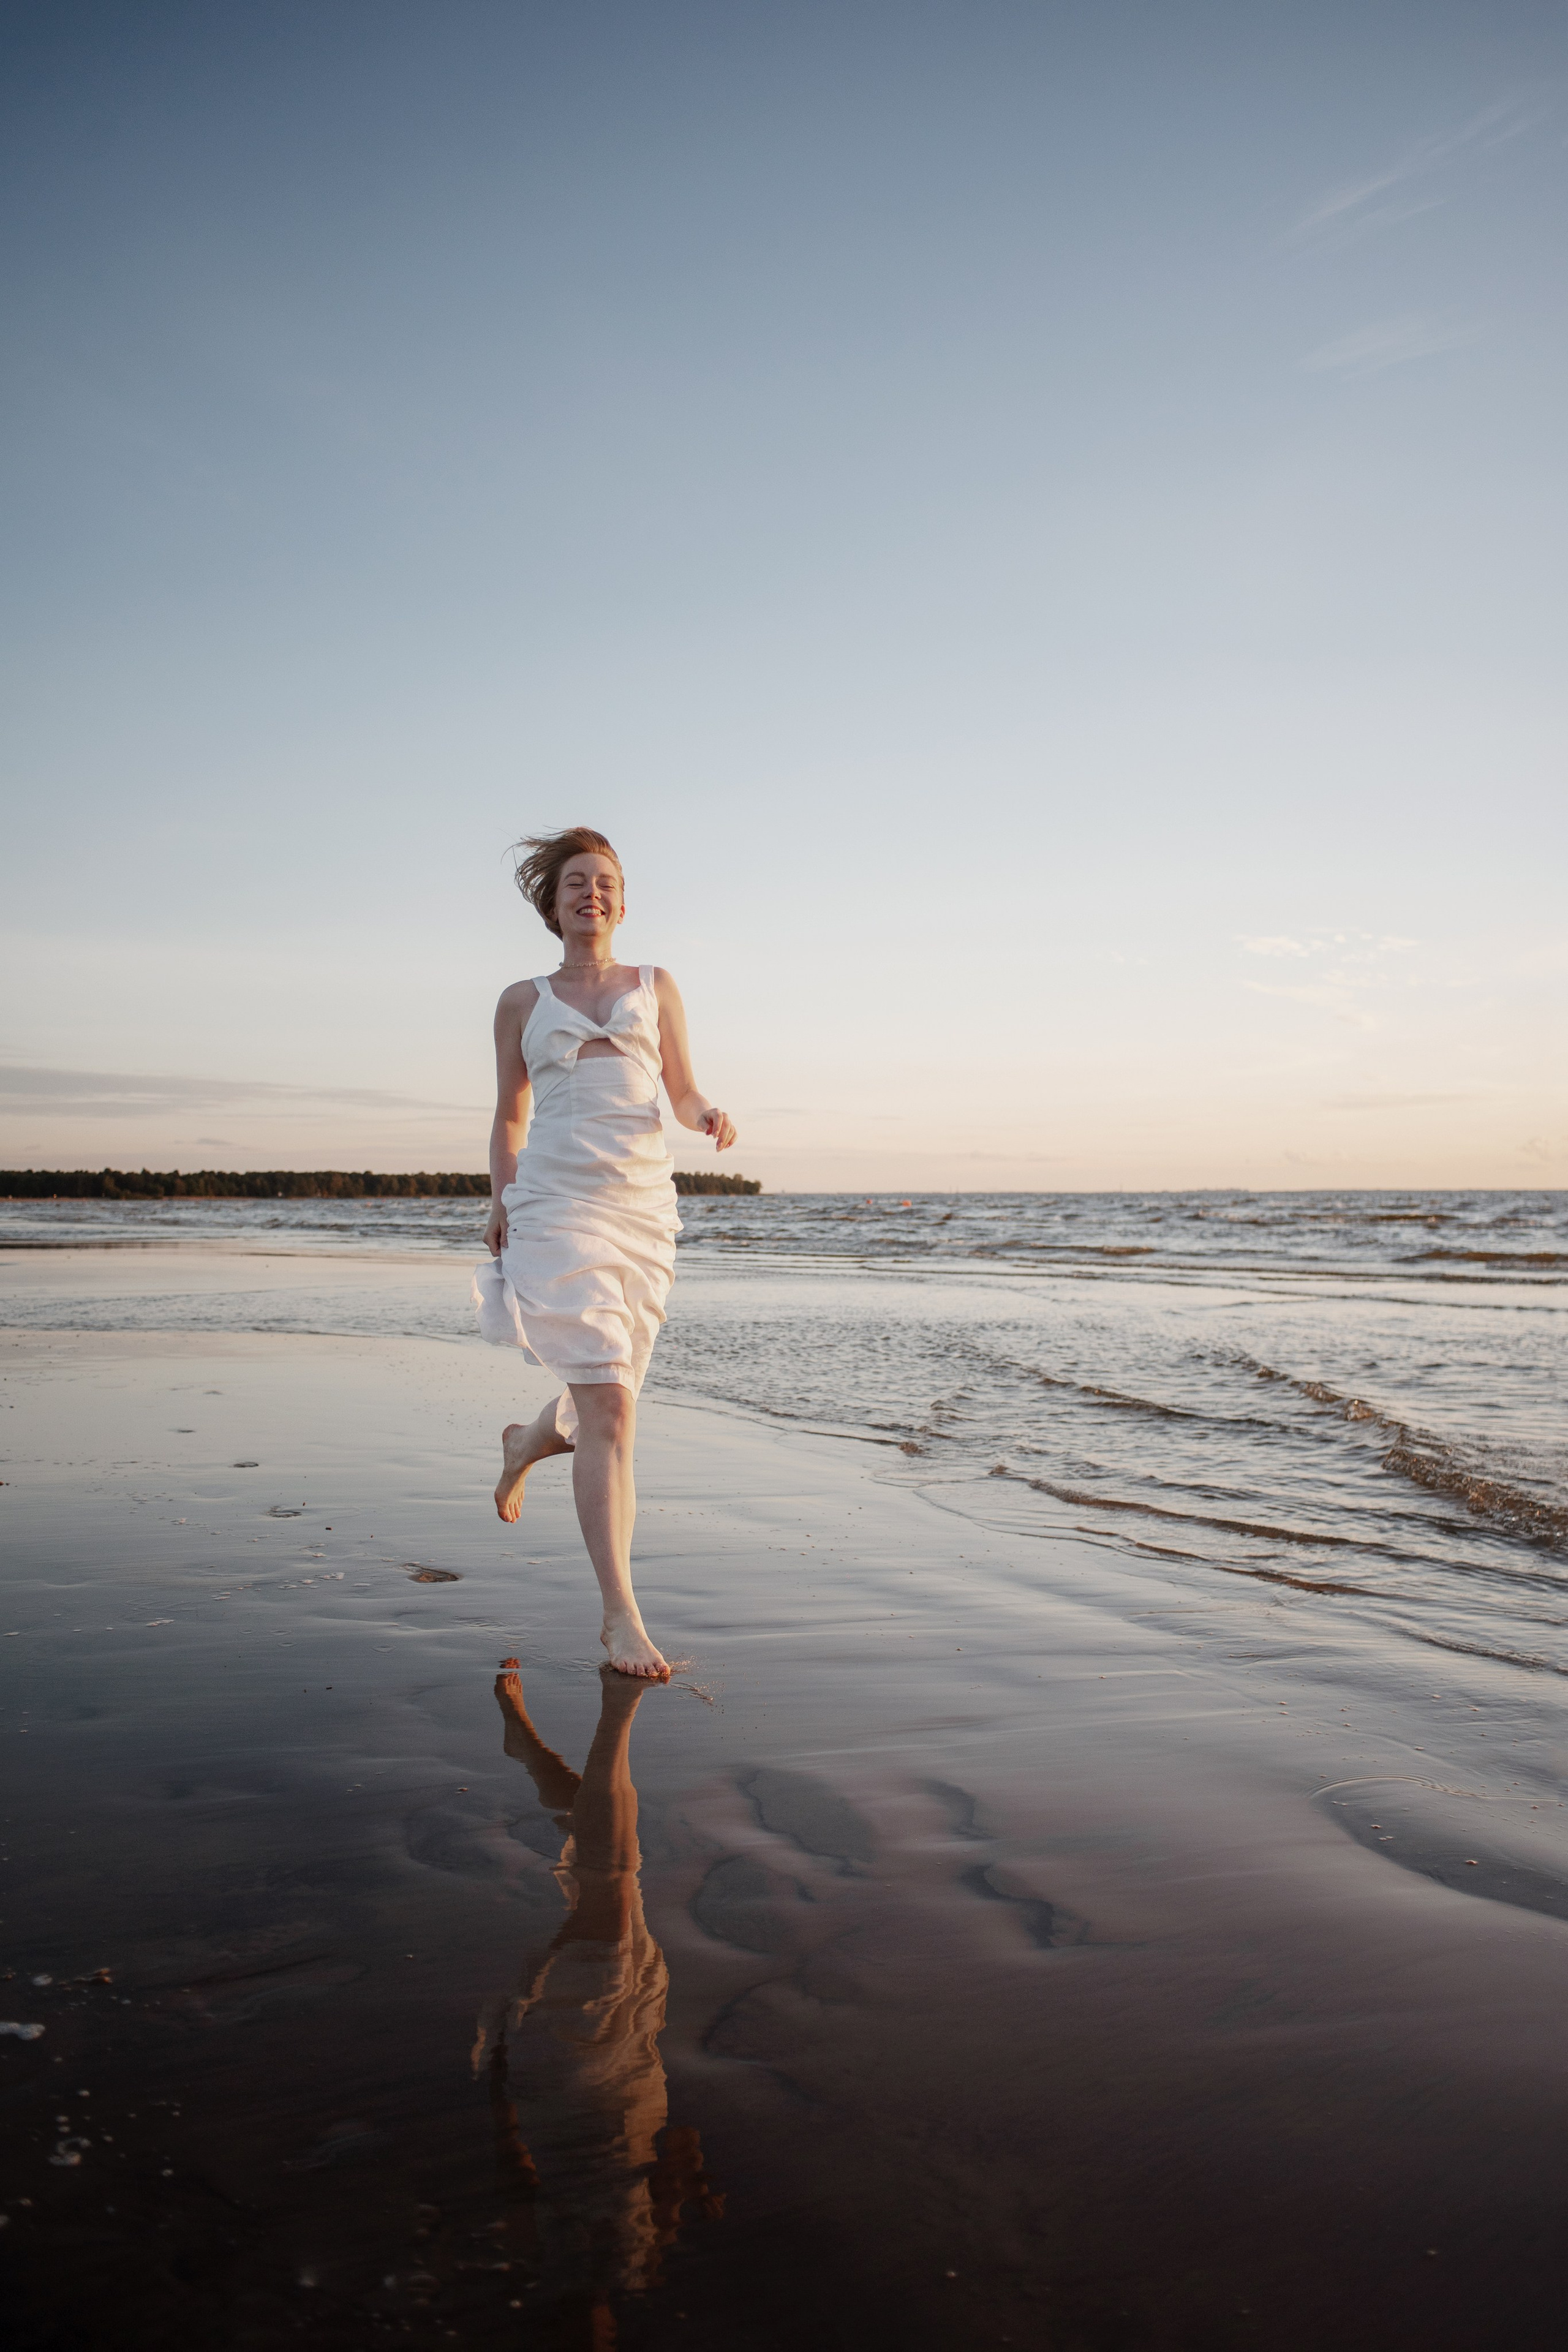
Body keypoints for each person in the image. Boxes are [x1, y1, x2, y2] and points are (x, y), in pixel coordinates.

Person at [473, 826, 736, 1678]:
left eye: (607, 882)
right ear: (552, 905)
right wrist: (500, 1201)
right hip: (555, 1203)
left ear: (622, 903)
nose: (593, 893)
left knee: (611, 1394)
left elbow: (682, 1090)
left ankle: (527, 1443)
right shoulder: (522, 1000)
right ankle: (621, 1615)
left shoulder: (655, 985)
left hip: (641, 1210)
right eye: (576, 882)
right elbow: (509, 1115)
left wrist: (706, 1115)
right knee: (614, 1412)